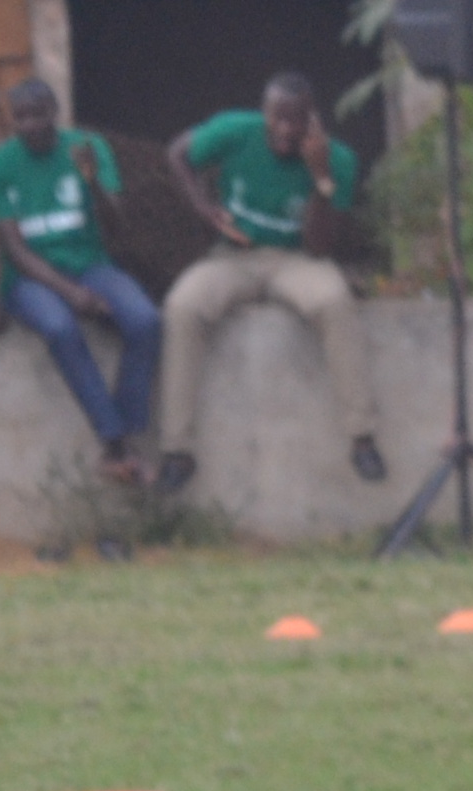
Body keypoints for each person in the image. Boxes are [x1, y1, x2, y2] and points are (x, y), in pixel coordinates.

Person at [160, 76, 382, 500]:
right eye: (277, 118)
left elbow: (319, 245)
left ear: (312, 120)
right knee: (182, 305)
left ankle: (362, 436)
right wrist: (201, 204)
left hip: (296, 260)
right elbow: (177, 152)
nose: (285, 129)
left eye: (296, 120)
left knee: (334, 301)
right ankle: (177, 451)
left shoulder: (338, 160)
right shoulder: (235, 130)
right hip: (233, 256)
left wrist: (320, 175)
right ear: (265, 113)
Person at [0, 76, 159, 475]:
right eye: (20, 117)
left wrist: (93, 182)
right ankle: (113, 441)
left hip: (91, 264)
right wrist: (71, 293)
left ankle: (126, 435)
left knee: (145, 320)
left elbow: (117, 227)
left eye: (38, 115)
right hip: (29, 281)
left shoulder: (87, 150)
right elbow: (14, 249)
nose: (29, 125)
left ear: (55, 113)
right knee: (60, 327)